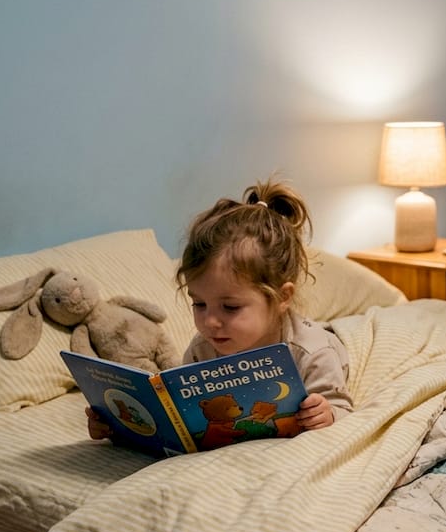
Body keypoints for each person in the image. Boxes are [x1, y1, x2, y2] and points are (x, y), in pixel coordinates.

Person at [87, 180, 352, 441]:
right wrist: (118, 425)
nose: (210, 322)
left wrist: (327, 414)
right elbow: (183, 416)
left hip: (331, 340)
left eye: (230, 307)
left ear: (282, 297)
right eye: (199, 304)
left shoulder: (312, 352)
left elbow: (342, 409)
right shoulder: (203, 348)